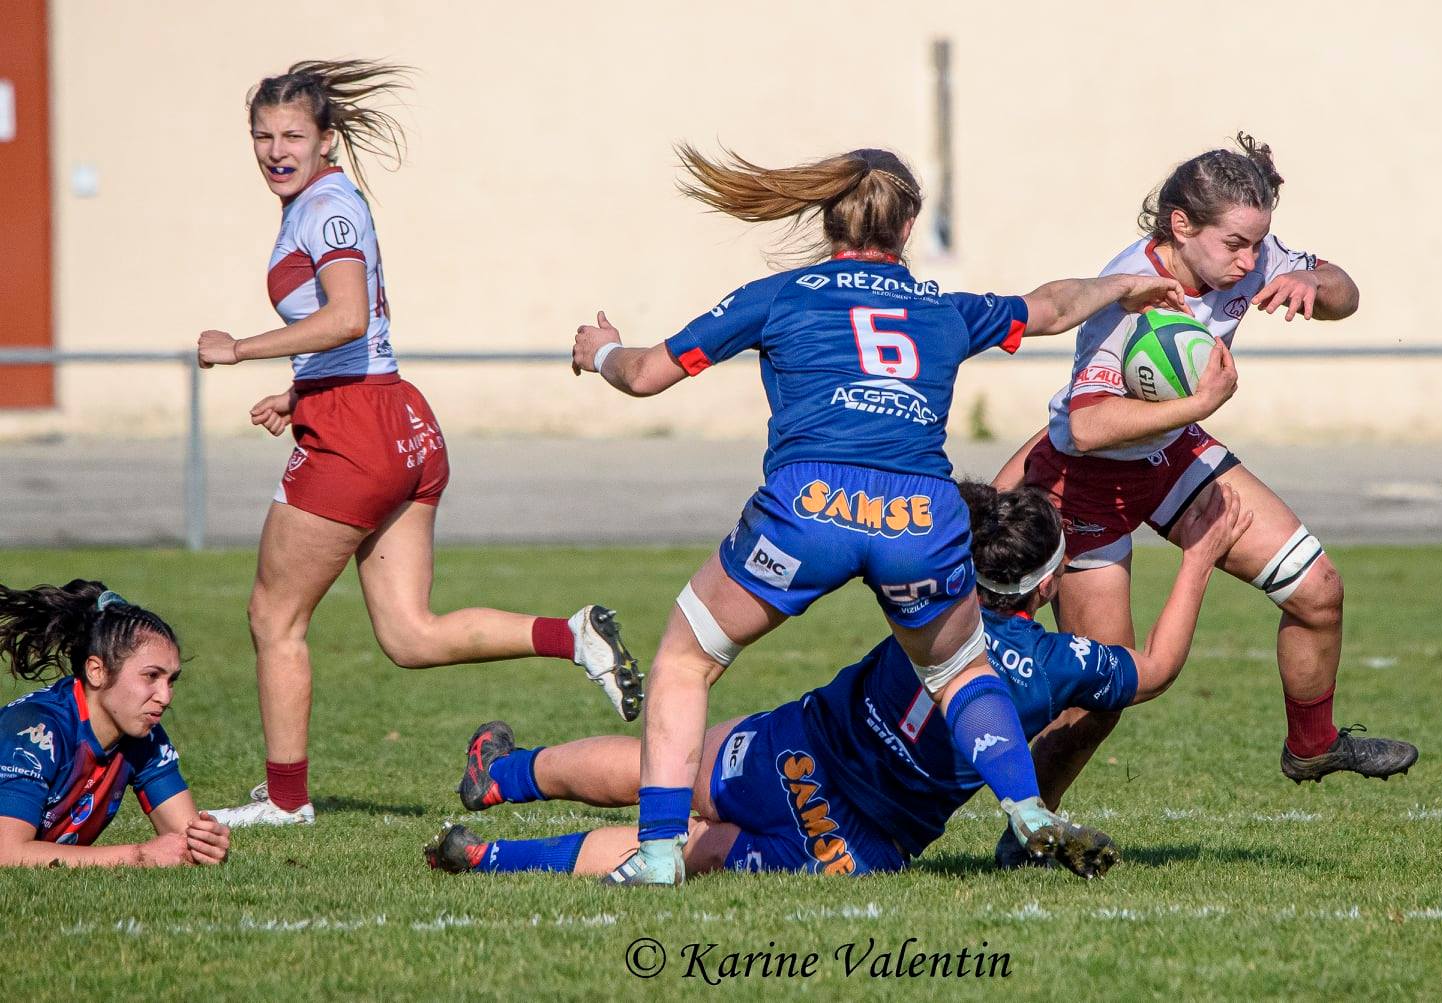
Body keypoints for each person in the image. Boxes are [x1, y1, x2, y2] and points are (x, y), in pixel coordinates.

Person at [570, 145, 1188, 884]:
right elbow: (1049, 307)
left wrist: (602, 351)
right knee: (960, 672)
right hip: (921, 516)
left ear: (827, 216)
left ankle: (663, 850)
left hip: (810, 505)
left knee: (685, 659)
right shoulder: (941, 309)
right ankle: (1027, 811)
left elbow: (644, 375)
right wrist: (1124, 284)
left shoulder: (780, 294)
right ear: (910, 225)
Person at [195, 60, 642, 829]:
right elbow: (356, 335)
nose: (275, 149)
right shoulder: (322, 200)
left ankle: (285, 798)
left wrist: (240, 348)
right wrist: (300, 390)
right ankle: (569, 635)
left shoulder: (324, 207)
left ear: (326, 139)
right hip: (398, 418)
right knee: (408, 634)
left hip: (357, 431)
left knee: (275, 618)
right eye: (262, 136)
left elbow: (343, 317)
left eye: (292, 134)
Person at [423, 480, 1249, 879]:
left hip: (794, 748)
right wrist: (1201, 555)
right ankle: (489, 856)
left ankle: (499, 778)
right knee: (699, 854)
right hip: (849, 843)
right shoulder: (1060, 663)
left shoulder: (919, 596)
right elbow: (1156, 668)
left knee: (660, 774)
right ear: (1042, 587)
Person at [993, 134, 1416, 813]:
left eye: (1259, 243)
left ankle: (1311, 745)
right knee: (1103, 695)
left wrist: (1314, 281)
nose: (1249, 262)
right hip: (1085, 479)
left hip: (1169, 455)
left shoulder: (1244, 256)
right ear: (1180, 227)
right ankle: (1032, 828)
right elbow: (1085, 424)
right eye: (1235, 245)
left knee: (1318, 593)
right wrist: (1200, 404)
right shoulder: (1126, 293)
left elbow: (1345, 294)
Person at [0, 581, 231, 867]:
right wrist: (138, 856)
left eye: (171, 680)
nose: (165, 696)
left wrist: (206, 843)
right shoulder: (35, 730)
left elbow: (183, 835)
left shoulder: (143, 735)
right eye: (151, 676)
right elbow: (7, 853)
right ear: (97, 671)